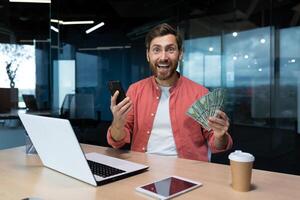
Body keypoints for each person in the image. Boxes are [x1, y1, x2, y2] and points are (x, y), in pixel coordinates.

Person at [107, 23, 232, 162]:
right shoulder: (135, 90)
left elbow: (218, 145)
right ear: (148, 55)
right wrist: (117, 123)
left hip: (188, 173)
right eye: (156, 50)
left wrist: (220, 135)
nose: (163, 57)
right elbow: (117, 142)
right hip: (142, 170)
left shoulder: (200, 94)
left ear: (180, 54)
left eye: (170, 49)